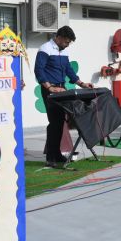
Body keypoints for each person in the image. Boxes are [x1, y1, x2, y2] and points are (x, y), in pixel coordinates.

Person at [34, 26, 93, 166]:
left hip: (62, 89)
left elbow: (68, 70)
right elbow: (38, 70)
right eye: (66, 42)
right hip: (50, 90)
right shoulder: (45, 49)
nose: (67, 45)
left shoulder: (64, 51)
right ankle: (50, 158)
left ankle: (56, 154)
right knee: (54, 123)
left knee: (60, 123)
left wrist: (82, 84)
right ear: (59, 37)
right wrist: (50, 87)